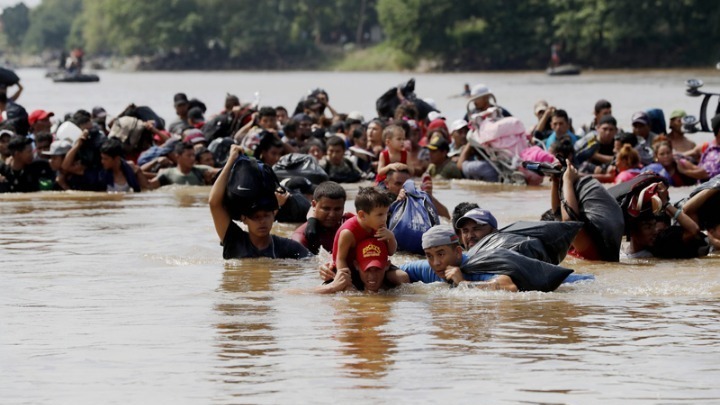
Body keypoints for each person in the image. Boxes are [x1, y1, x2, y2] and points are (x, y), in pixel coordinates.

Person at [208, 144, 312, 260]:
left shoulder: (286, 247)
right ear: (244, 219)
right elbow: (214, 203)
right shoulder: (234, 240)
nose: (262, 221)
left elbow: (313, 262)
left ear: (274, 215)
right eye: (256, 217)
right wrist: (231, 161)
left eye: (266, 216)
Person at [387, 225, 518, 291]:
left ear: (458, 252)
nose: (436, 263)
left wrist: (464, 284)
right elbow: (392, 269)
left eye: (441, 254)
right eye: (429, 255)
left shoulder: (475, 266)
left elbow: (510, 286)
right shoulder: (426, 268)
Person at [331, 187, 396, 276]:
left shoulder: (379, 225)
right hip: (350, 269)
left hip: (373, 266)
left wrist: (391, 237)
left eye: (386, 213)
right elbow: (340, 259)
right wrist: (346, 281)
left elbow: (390, 252)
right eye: (380, 214)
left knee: (401, 277)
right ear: (362, 215)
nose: (384, 218)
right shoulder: (348, 233)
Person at [292, 181, 354, 254]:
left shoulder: (349, 222)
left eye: (337, 209)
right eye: (326, 209)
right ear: (314, 205)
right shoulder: (300, 237)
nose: (332, 214)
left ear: (343, 207)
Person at [315, 238, 392, 294]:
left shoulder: (394, 282)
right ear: (356, 265)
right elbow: (305, 292)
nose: (372, 276)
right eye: (367, 269)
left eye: (377, 269)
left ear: (387, 265)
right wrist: (333, 287)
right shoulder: (349, 280)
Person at [148, 142, 218, 188]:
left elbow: (221, 171)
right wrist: (138, 171)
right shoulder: (167, 173)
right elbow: (149, 186)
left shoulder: (200, 170)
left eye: (193, 155)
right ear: (178, 156)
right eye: (189, 156)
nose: (193, 158)